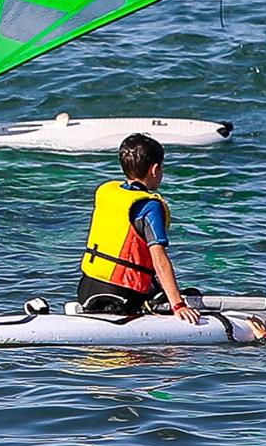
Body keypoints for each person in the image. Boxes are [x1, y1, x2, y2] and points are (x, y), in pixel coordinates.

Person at [76, 133, 201, 323]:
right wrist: (178, 304)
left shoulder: (107, 192)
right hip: (120, 296)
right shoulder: (149, 206)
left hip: (87, 289)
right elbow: (159, 258)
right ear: (155, 169)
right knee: (190, 295)